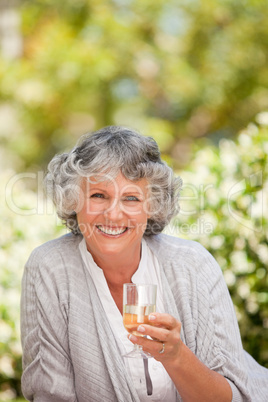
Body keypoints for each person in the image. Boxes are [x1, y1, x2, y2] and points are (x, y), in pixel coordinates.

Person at [21, 126, 268, 402]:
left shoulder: (193, 265)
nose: (113, 214)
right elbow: (50, 395)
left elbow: (230, 397)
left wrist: (176, 357)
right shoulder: (50, 268)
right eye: (98, 195)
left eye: (131, 198)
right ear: (73, 200)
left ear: (151, 206)